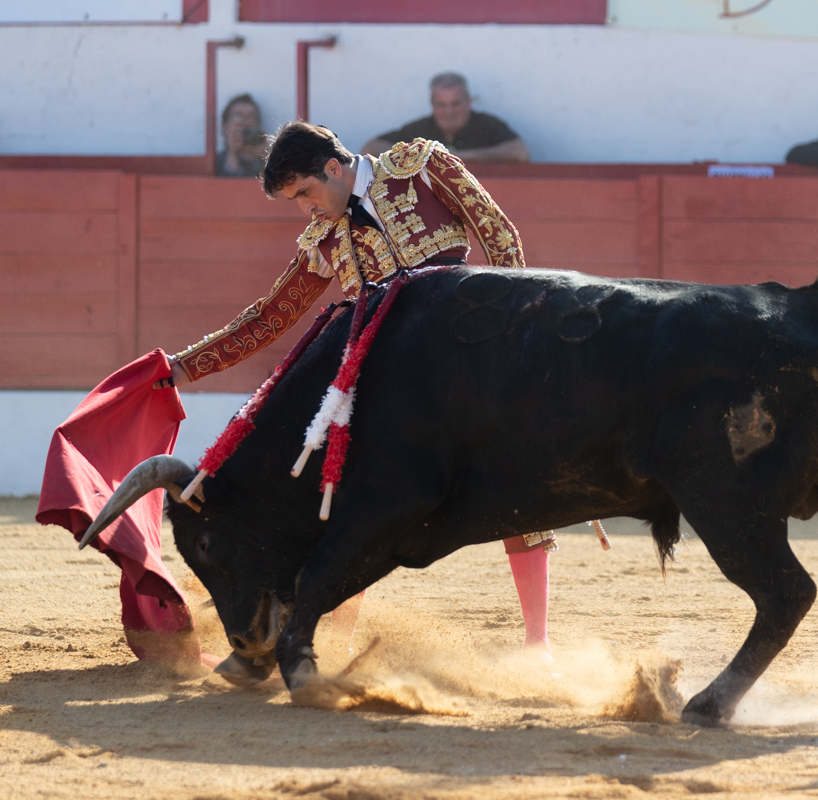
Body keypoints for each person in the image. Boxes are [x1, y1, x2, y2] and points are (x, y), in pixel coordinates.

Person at [157, 122, 554, 657]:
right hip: (390, 388)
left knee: (513, 483)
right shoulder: (322, 237)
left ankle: (537, 644)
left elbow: (499, 235)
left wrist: (515, 336)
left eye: (306, 192)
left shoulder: (421, 167)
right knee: (350, 503)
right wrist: (181, 368)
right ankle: (335, 643)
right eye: (295, 201)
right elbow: (270, 317)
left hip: (466, 362)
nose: (306, 209)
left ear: (334, 168)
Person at [362, 72, 530, 163]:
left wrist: (454, 158)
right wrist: (419, 157)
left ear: (469, 102)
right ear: (432, 105)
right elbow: (370, 149)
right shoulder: (420, 129)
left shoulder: (487, 125)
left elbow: (520, 153)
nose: (449, 112)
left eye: (456, 103)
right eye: (441, 105)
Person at [216, 94, 268, 178]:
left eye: (251, 117)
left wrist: (267, 157)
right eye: (238, 117)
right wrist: (232, 154)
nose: (245, 123)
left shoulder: (267, 159)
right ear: (224, 127)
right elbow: (226, 184)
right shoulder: (215, 161)